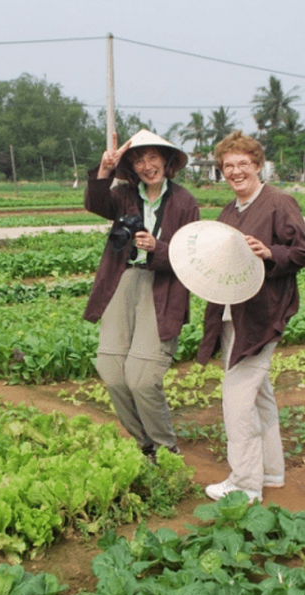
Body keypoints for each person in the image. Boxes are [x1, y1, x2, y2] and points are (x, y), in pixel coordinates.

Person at [195, 131, 305, 502]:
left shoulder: (279, 202)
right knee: (260, 396)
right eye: (228, 165)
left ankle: (245, 484)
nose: (236, 171)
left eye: (243, 163)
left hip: (263, 315)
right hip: (233, 314)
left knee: (237, 399)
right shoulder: (230, 211)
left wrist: (270, 253)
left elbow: (302, 252)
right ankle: (272, 471)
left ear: (257, 165)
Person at [83, 129, 198, 461]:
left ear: (166, 160)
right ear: (131, 168)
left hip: (161, 287)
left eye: (153, 157)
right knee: (112, 371)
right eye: (139, 160)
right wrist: (105, 169)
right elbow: (96, 203)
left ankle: (166, 448)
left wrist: (157, 248)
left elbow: (192, 255)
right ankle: (145, 445)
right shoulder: (123, 196)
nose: (148, 166)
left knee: (143, 379)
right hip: (122, 281)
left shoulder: (184, 201)